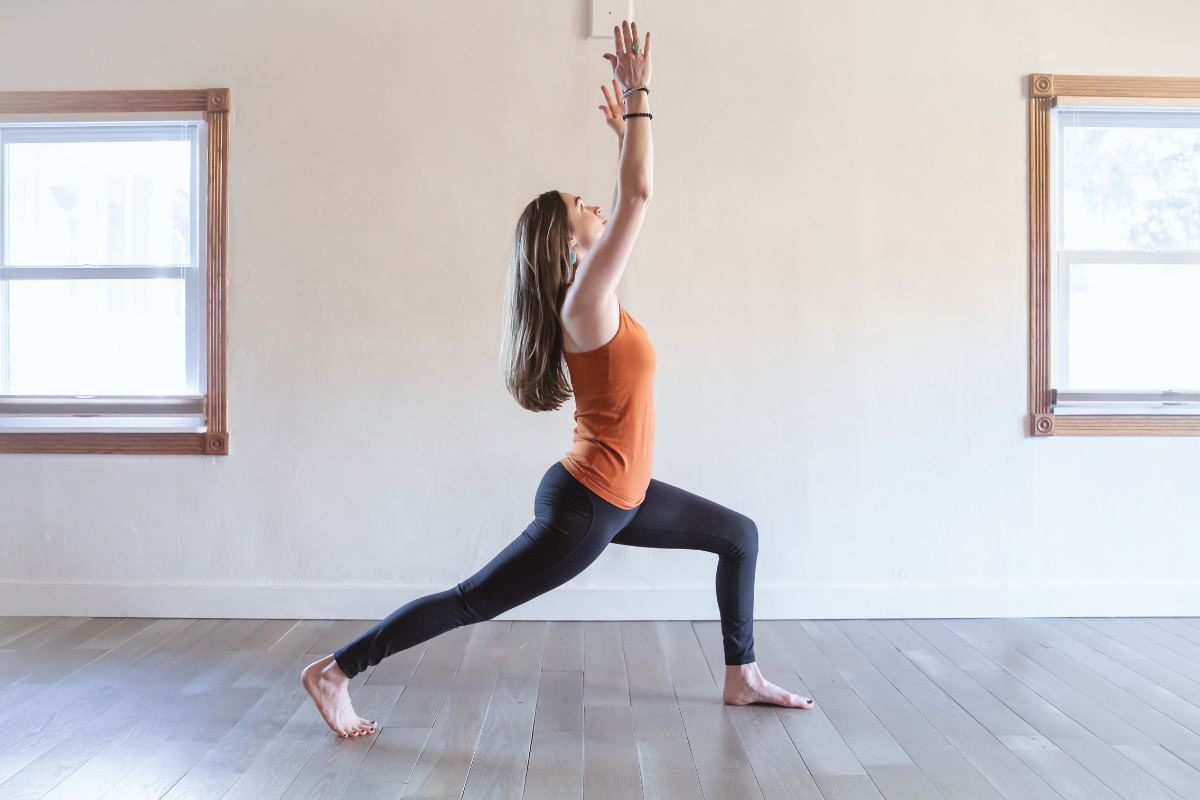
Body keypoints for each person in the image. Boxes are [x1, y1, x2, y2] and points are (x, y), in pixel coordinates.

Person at [303, 20, 812, 738]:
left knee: (739, 535)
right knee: (472, 600)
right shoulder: (583, 303)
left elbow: (625, 198)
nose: (596, 204)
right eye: (583, 206)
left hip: (621, 494)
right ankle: (334, 672)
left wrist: (624, 137)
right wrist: (639, 95)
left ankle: (742, 676)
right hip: (589, 504)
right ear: (570, 246)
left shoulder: (590, 296)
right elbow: (636, 200)